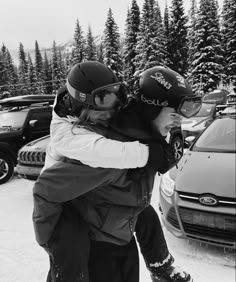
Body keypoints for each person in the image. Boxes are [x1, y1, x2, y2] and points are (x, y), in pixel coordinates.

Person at [33, 62, 201, 282]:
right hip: (96, 255)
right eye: (173, 116)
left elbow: (133, 199)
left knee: (145, 212)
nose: (179, 123)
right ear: (151, 110)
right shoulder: (104, 154)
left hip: (123, 244)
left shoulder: (142, 138)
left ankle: (162, 266)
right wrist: (54, 243)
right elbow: (45, 189)